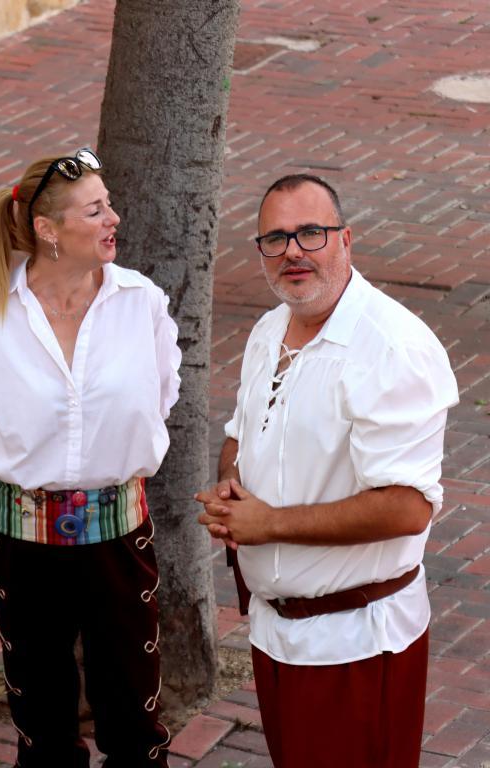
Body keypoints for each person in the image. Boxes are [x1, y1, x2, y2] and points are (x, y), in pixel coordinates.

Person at [195, 174, 459, 768]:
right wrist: (233, 490)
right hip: (278, 635)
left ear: (346, 239)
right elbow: (241, 434)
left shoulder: (392, 348)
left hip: (357, 645)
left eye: (310, 233)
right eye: (276, 238)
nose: (293, 251)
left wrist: (269, 524)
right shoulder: (269, 329)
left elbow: (406, 507)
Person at [0, 148, 181, 767]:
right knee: (42, 723)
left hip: (119, 537)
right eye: (95, 211)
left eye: (108, 205)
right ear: (47, 229)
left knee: (134, 717)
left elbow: (158, 404)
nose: (113, 219)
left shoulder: (142, 304)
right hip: (20, 544)